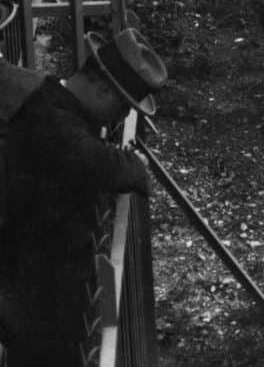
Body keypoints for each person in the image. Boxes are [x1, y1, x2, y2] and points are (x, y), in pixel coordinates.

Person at [0, 29, 166, 367]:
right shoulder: (55, 126)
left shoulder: (49, 98)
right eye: (122, 111)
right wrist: (137, 162)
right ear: (103, 89)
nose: (118, 121)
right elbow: (122, 171)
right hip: (25, 300)